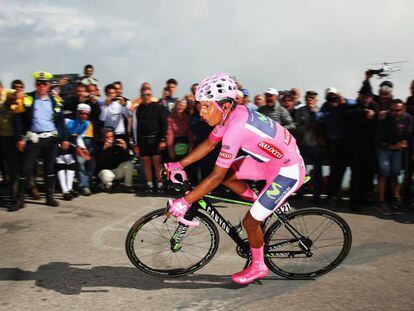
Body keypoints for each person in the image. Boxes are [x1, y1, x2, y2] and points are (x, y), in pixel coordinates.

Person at [164, 73, 305, 284]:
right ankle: (258, 200)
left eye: (206, 107)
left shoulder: (236, 128)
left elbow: (215, 175)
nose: (201, 112)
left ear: (225, 105)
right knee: (228, 176)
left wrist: (185, 202)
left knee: (250, 221)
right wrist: (179, 164)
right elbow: (210, 144)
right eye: (200, 106)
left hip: (287, 171)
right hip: (269, 162)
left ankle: (258, 266)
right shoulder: (231, 114)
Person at [12, 71, 69, 211]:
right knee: (25, 169)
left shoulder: (55, 100)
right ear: (35, 84)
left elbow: (61, 122)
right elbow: (17, 119)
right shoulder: (28, 99)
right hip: (34, 139)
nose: (41, 86)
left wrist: (64, 138)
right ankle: (20, 200)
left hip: (51, 139)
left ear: (49, 85)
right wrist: (20, 138)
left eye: (44, 83)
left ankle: (49, 197)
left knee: (50, 169)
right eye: (39, 83)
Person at [344, 85, 379, 211]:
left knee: (367, 176)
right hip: (355, 148)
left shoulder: (375, 107)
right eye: (364, 96)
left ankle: (364, 199)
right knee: (356, 176)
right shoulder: (353, 106)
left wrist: (372, 116)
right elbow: (346, 115)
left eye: (368, 96)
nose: (366, 99)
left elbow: (380, 120)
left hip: (370, 148)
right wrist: (364, 112)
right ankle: (354, 203)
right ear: (360, 96)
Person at [375, 99, 412, 215]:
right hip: (384, 149)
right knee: (384, 173)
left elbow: (408, 135)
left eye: (398, 110)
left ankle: (395, 200)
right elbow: (377, 140)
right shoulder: (384, 118)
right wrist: (392, 146)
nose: (395, 113)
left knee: (395, 173)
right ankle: (381, 202)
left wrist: (404, 143)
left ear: (404, 109)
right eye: (392, 110)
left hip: (398, 149)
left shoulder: (408, 118)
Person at [132, 86, 167, 192]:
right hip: (143, 140)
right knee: (146, 163)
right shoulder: (138, 109)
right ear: (141, 96)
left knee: (157, 164)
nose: (146, 97)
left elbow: (163, 125)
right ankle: (150, 185)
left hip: (156, 139)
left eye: (148, 95)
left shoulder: (159, 107)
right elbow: (135, 127)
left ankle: (160, 185)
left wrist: (162, 140)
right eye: (143, 95)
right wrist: (135, 144)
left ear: (151, 96)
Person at [319, 87, 348, 205]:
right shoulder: (325, 107)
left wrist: (342, 100)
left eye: (334, 95)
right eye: (330, 95)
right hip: (331, 144)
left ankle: (336, 193)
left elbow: (355, 103)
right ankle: (331, 194)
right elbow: (318, 117)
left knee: (341, 170)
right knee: (334, 170)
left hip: (344, 143)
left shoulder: (343, 104)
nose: (332, 98)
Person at [294, 91, 324, 204]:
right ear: (305, 99)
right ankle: (299, 194)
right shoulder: (299, 111)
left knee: (317, 173)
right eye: (308, 97)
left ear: (316, 100)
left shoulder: (320, 111)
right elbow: (296, 127)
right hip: (303, 145)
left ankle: (317, 196)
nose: (310, 99)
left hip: (316, 146)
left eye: (313, 98)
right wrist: (306, 127)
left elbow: (323, 127)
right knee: (301, 172)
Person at [56, 104, 91, 200]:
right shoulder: (68, 120)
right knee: (62, 163)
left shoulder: (86, 123)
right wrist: (64, 141)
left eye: (86, 114)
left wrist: (83, 148)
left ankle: (69, 188)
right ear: (77, 113)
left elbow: (78, 136)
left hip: (71, 142)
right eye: (81, 113)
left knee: (71, 164)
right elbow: (60, 131)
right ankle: (64, 191)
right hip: (60, 140)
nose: (84, 116)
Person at [96, 128, 134, 193]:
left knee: (129, 164)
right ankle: (108, 186)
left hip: (116, 170)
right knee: (107, 176)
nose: (110, 139)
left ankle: (128, 186)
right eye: (107, 137)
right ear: (103, 138)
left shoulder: (117, 145)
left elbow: (126, 159)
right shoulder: (99, 146)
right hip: (104, 171)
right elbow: (99, 162)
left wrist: (125, 149)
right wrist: (104, 149)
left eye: (111, 137)